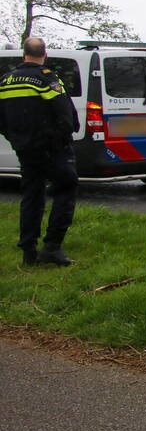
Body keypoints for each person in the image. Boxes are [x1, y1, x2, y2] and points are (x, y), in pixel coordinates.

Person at [0, 37, 79, 266]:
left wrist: (16, 139)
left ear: (23, 55)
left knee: (31, 195)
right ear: (44, 54)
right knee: (65, 188)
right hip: (52, 148)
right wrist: (60, 139)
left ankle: (28, 250)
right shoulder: (47, 80)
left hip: (25, 149)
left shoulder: (5, 81)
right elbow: (66, 116)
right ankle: (52, 247)